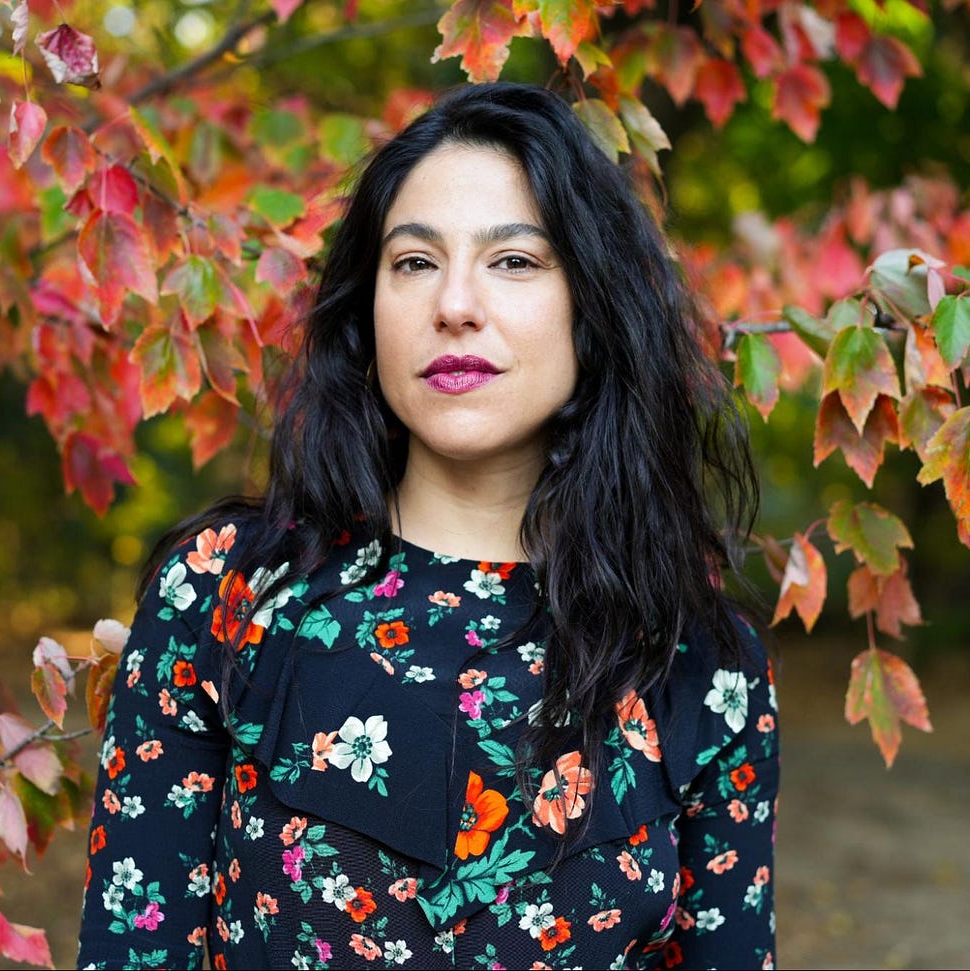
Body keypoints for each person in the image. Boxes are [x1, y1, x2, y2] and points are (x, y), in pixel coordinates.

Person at [77, 82, 778, 970]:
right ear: (368, 310)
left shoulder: (700, 660)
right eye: (413, 261)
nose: (454, 304)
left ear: (592, 308)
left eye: (514, 260)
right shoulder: (228, 593)